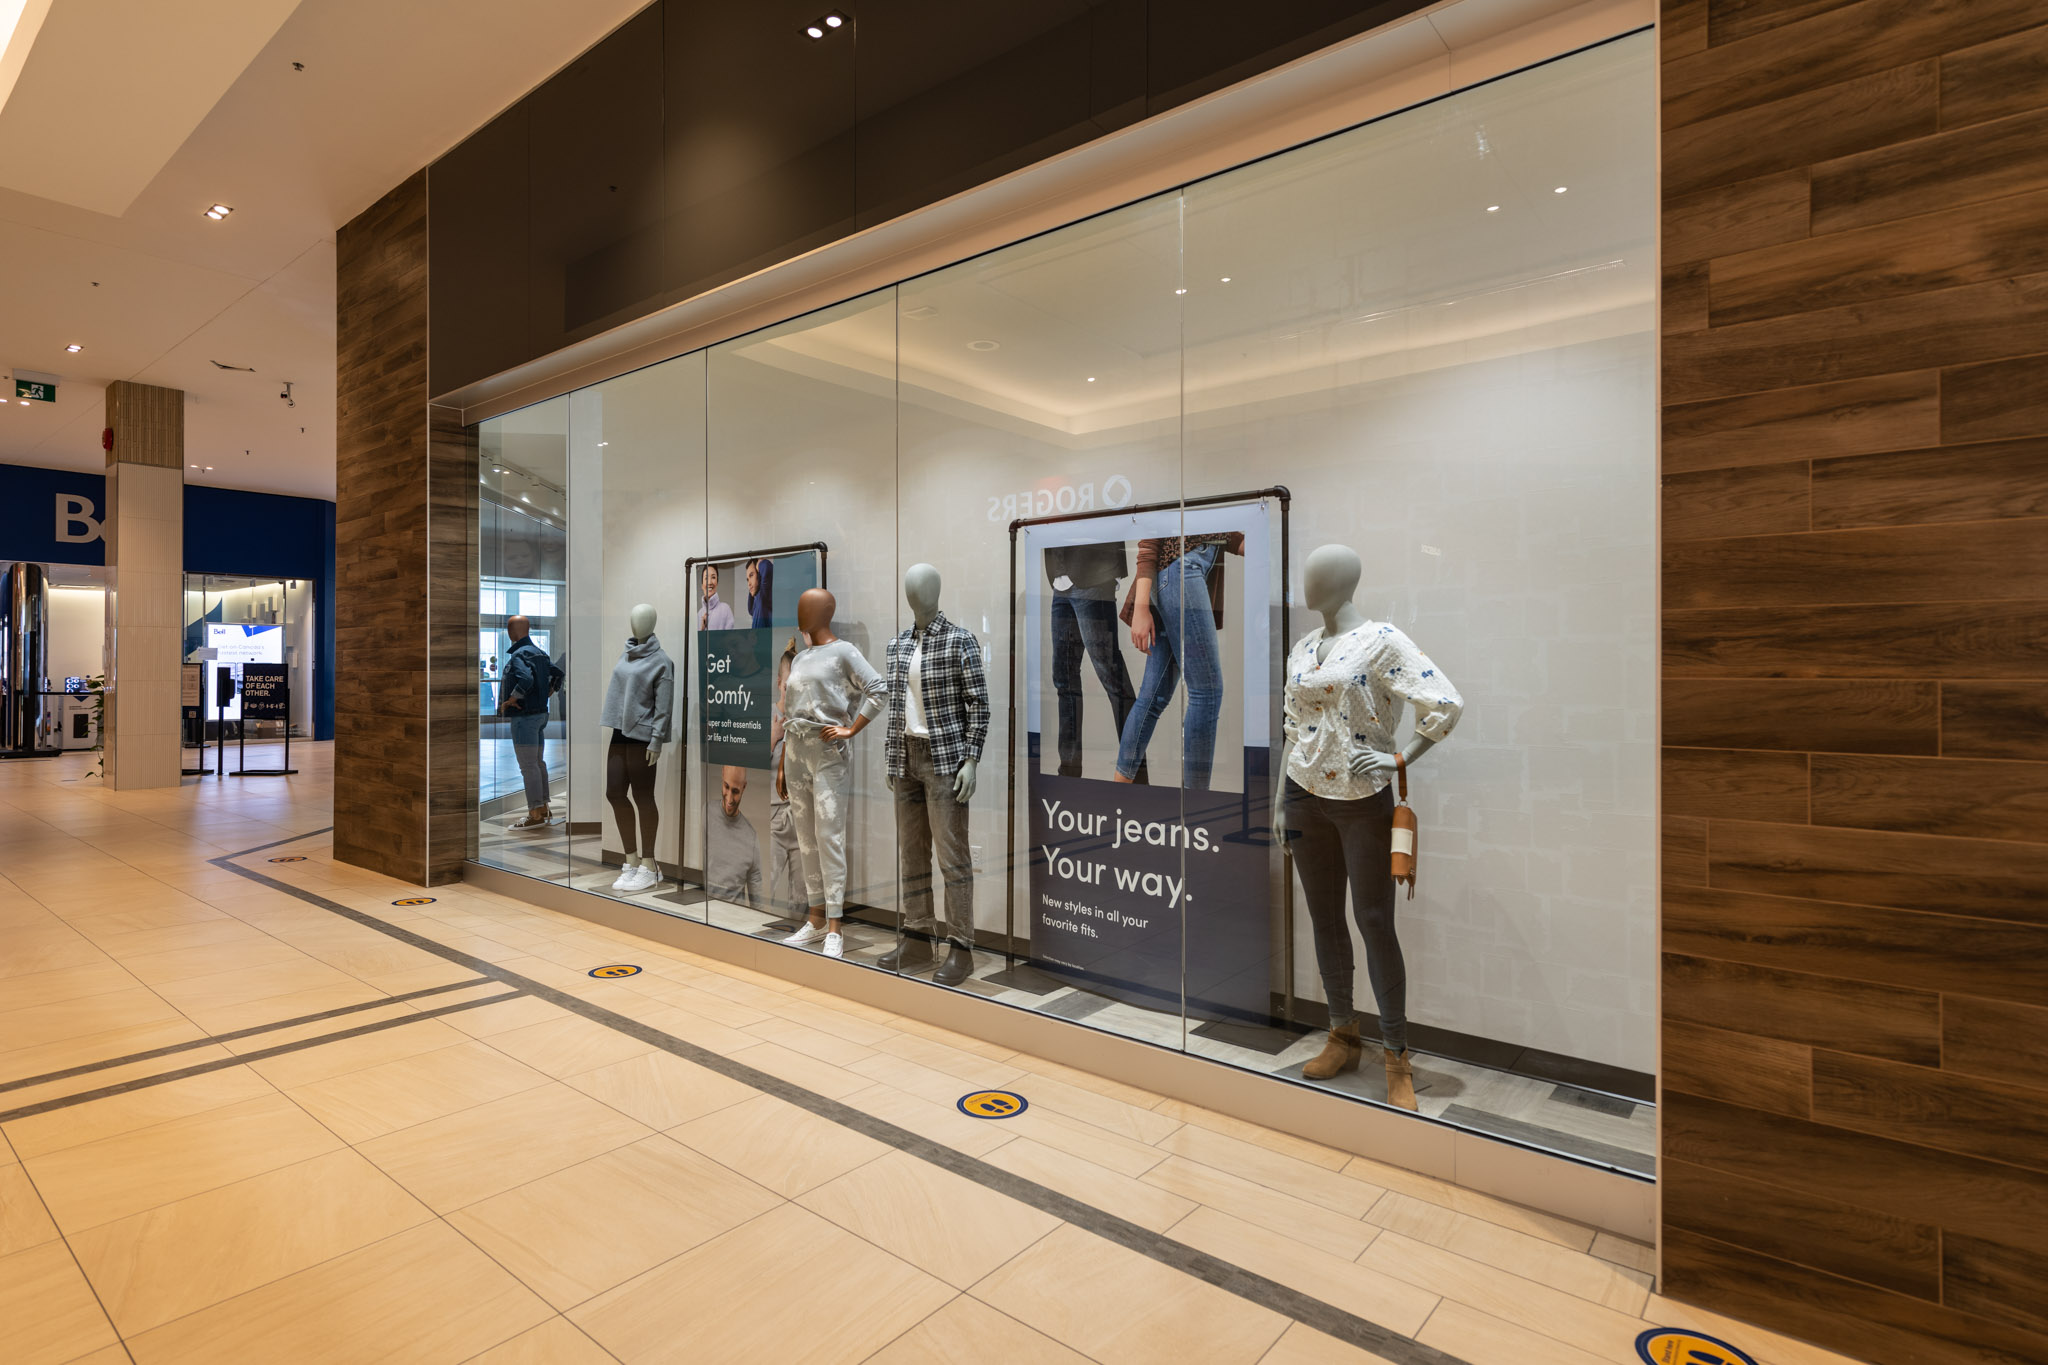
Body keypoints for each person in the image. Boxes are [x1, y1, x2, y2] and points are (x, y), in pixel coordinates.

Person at [1114, 531, 1244, 790]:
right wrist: (1140, 608)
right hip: (1183, 573)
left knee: (1152, 698)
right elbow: (1149, 541)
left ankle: (1117, 792)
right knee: (1206, 693)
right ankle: (1196, 803)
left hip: (1174, 576)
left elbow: (1229, 536)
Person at [1045, 542, 1141, 780]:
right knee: (1064, 680)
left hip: (1094, 575)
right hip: (1060, 583)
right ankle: (1068, 774)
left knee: (1111, 676)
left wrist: (1111, 572)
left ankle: (1136, 775)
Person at [498, 616, 558, 829]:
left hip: (525, 717)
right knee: (538, 763)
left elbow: (526, 678)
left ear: (512, 631)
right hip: (540, 715)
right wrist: (550, 691)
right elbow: (558, 674)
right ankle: (543, 808)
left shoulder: (519, 654)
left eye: (509, 628)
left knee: (528, 765)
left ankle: (535, 814)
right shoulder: (540, 653)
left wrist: (512, 698)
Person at [766, 642, 804, 914]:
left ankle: (798, 927)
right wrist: (773, 737)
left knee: (801, 895)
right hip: (773, 814)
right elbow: (748, 770)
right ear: (779, 683)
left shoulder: (804, 719)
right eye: (787, 687)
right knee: (765, 884)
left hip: (800, 814)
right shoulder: (767, 716)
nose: (791, 694)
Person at [704, 765, 764, 908]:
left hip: (733, 917)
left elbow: (758, 904)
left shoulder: (751, 837)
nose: (730, 799)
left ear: (744, 787)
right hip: (699, 911)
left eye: (735, 791)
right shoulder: (704, 813)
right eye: (726, 787)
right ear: (722, 776)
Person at [698, 563, 735, 629]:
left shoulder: (725, 610)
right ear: (702, 585)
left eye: (713, 577)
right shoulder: (699, 614)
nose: (710, 582)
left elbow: (730, 635)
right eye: (706, 578)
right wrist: (702, 629)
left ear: (717, 582)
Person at [746, 557, 774, 628]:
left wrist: (759, 564)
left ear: (759, 574)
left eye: (751, 575)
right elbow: (750, 609)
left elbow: (767, 567)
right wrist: (752, 588)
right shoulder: (756, 603)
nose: (749, 583)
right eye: (747, 579)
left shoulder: (764, 593)